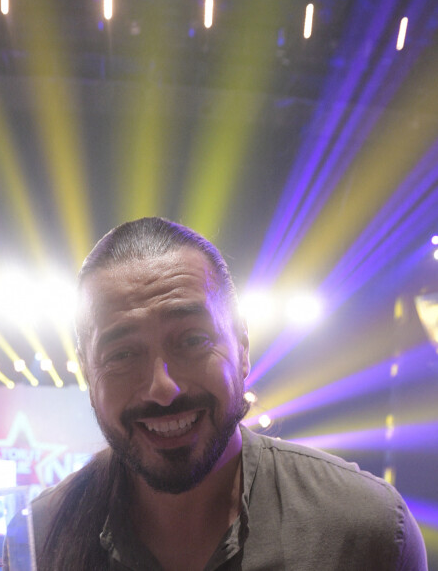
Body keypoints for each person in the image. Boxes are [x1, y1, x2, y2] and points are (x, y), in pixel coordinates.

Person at [29, 217, 427, 570]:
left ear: (242, 350)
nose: (163, 388)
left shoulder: (363, 529)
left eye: (193, 340)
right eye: (122, 354)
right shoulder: (42, 534)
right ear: (88, 371)